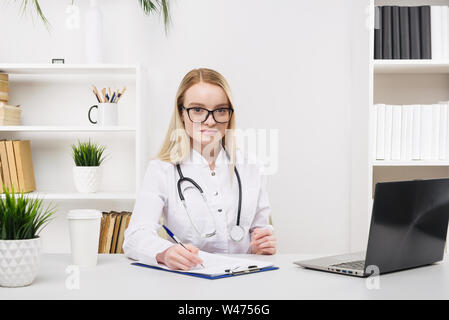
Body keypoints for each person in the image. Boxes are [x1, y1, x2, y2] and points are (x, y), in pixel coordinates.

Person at [123, 68, 276, 270]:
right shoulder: (161, 170)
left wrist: (261, 245)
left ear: (230, 115)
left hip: (242, 281)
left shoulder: (251, 167)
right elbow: (135, 236)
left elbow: (259, 231)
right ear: (182, 114)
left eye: (221, 110)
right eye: (197, 110)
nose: (210, 120)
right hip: (189, 283)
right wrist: (165, 253)